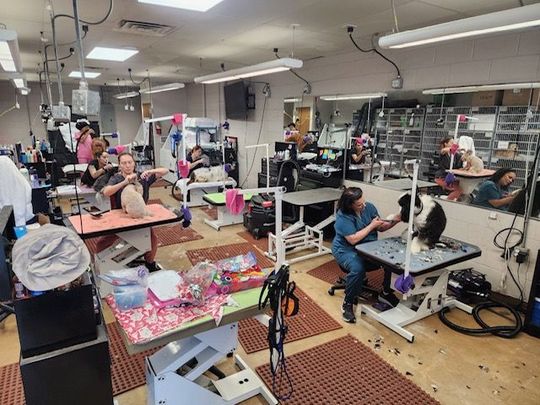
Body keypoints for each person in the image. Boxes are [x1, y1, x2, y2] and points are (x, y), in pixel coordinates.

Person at [332, 187, 401, 323]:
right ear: (349, 205)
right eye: (359, 205)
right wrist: (371, 226)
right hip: (346, 250)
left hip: (367, 247)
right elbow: (352, 239)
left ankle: (386, 293)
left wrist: (396, 220)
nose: (363, 206)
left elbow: (380, 227)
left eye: (364, 202)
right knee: (357, 269)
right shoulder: (343, 216)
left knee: (390, 260)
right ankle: (348, 303)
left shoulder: (369, 207)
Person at [100, 152, 168, 272]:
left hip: (140, 216)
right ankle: (103, 264)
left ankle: (149, 263)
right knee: (102, 243)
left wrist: (151, 171)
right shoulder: (116, 178)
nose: (127, 165)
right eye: (124, 163)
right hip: (121, 216)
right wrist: (125, 182)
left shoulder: (142, 177)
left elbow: (165, 171)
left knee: (152, 240)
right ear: (119, 165)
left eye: (130, 162)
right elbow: (106, 192)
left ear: (134, 163)